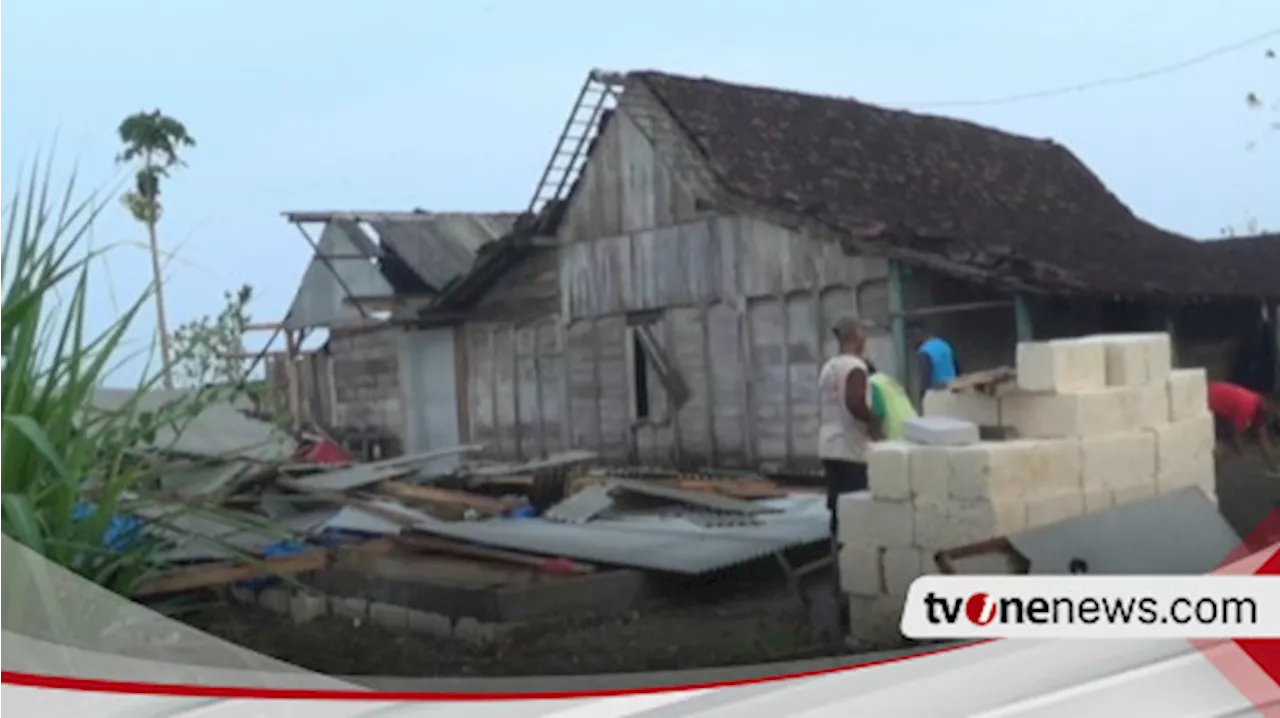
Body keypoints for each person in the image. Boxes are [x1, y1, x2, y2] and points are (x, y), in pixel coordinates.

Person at [819, 318, 883, 531]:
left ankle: (838, 555)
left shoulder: (830, 365)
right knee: (855, 510)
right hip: (851, 449)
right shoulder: (855, 366)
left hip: (829, 446)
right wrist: (874, 422)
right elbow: (855, 403)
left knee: (838, 509)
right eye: (864, 335)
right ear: (856, 337)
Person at [1208, 381, 1279, 471]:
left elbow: (1263, 437)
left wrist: (1274, 467)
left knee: (1226, 447)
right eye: (1276, 411)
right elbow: (1234, 435)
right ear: (1271, 404)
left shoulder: (1258, 404)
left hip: (1219, 407)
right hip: (1210, 400)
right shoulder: (1248, 407)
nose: (1275, 415)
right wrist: (1239, 449)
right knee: (1222, 449)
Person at [866, 360, 919, 440]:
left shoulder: (871, 384)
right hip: (913, 430)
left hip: (894, 436)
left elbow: (877, 413)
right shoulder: (885, 380)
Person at [911, 324, 960, 402]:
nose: (911, 341)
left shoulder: (925, 352)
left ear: (919, 335)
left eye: (912, 337)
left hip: (937, 394)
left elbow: (925, 378)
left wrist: (923, 398)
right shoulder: (944, 345)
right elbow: (957, 369)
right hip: (953, 391)